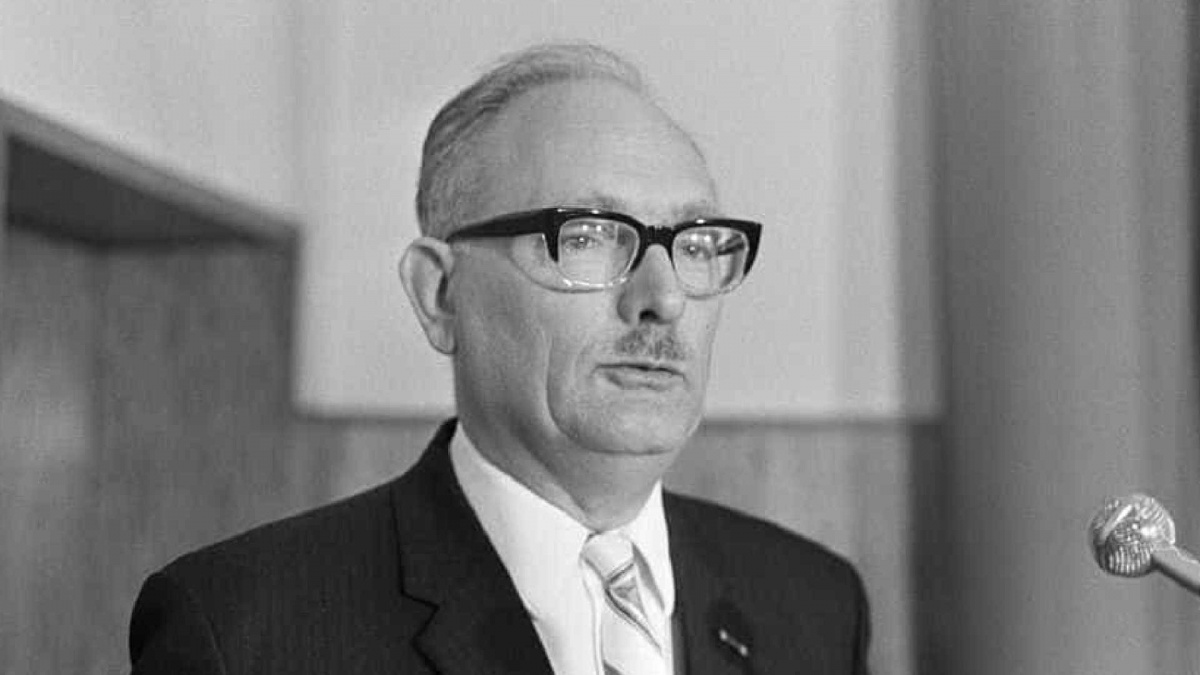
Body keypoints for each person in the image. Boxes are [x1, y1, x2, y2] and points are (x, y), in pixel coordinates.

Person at [129, 42, 870, 674]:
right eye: (588, 237)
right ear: (440, 294)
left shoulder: (814, 604)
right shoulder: (244, 632)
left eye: (696, 244)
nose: (664, 297)